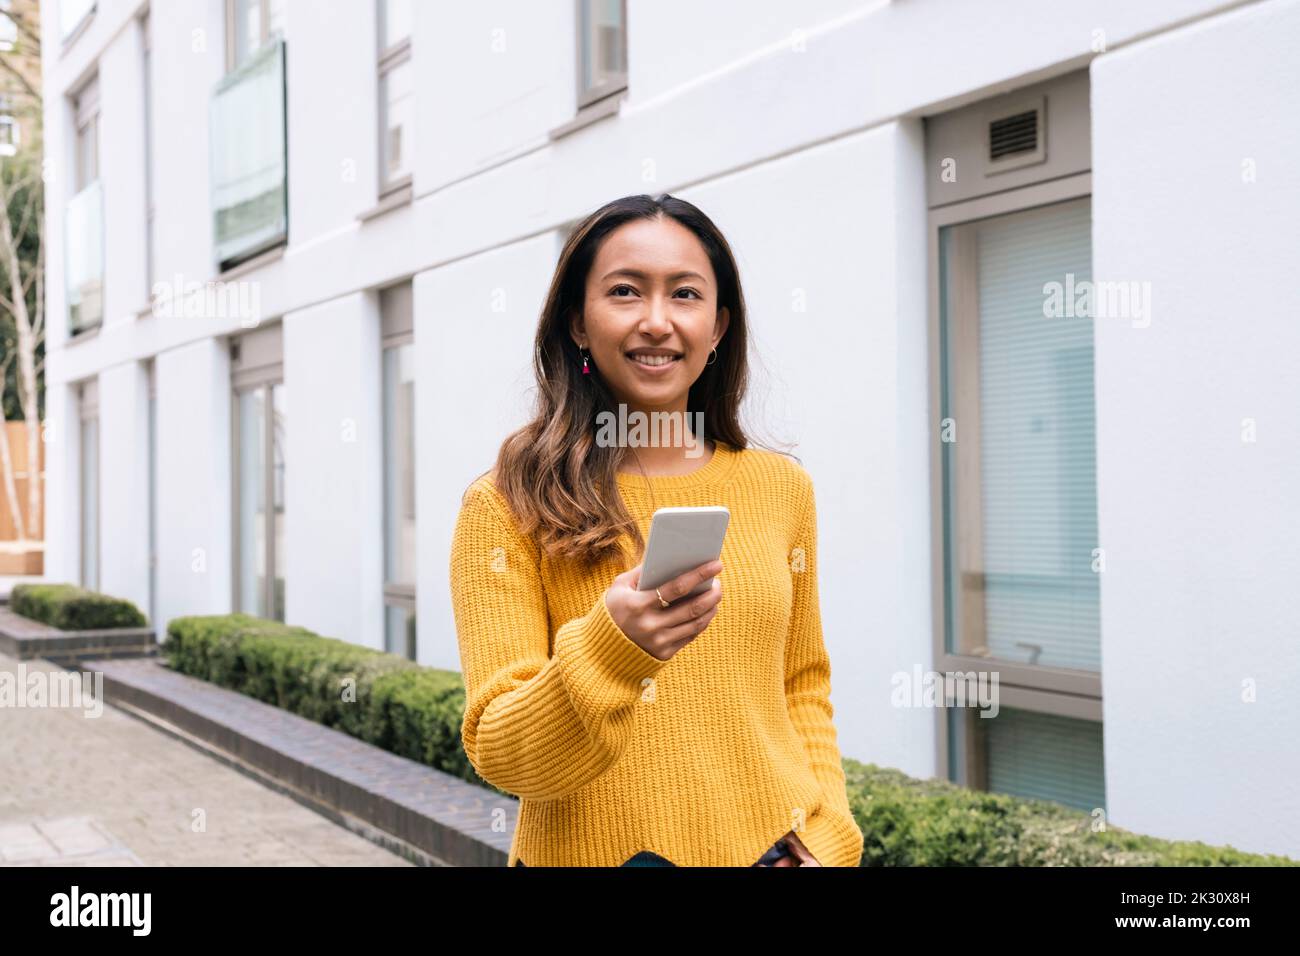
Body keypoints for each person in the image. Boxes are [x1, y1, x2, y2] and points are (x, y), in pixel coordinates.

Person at [449, 193, 864, 867]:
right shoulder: (505, 501)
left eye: (686, 294)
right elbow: (502, 752)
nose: (657, 321)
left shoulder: (782, 488)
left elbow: (802, 687)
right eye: (624, 291)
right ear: (578, 323)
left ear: (719, 325)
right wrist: (613, 649)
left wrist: (829, 839)